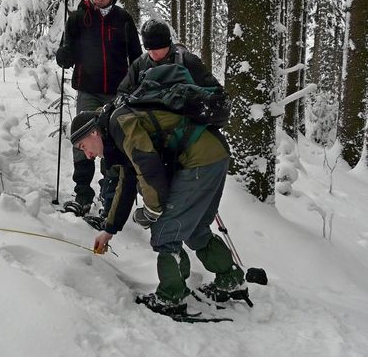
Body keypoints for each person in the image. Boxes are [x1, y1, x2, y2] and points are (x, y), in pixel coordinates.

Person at [67, 90, 247, 315]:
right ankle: (230, 280)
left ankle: (171, 298)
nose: (88, 155)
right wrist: (109, 229)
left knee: (165, 231)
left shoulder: (119, 124)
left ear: (93, 133)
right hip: (212, 154)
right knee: (195, 227)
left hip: (199, 159)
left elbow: (147, 164)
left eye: (83, 147)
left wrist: (152, 210)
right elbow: (128, 182)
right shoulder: (116, 135)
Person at [56, 0, 142, 216]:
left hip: (117, 92)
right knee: (81, 138)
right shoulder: (78, 18)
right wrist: (63, 57)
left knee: (112, 140)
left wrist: (136, 83)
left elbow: (135, 56)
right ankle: (82, 193)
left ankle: (110, 196)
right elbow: (67, 51)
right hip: (88, 88)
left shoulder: (123, 19)